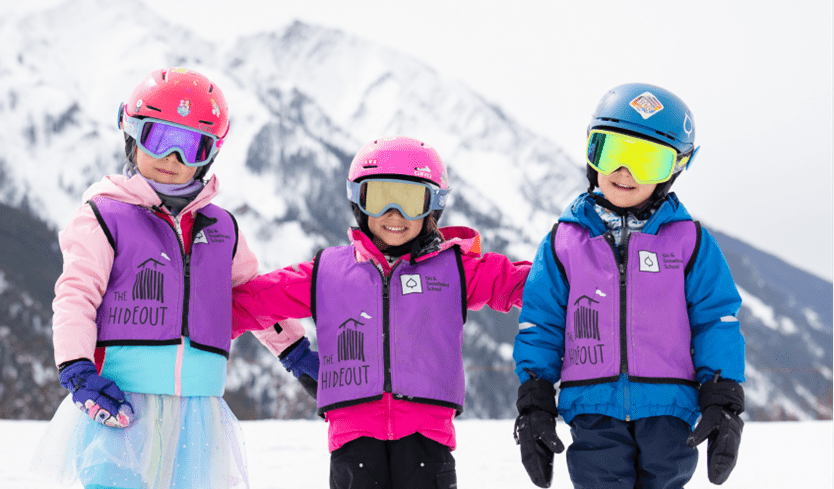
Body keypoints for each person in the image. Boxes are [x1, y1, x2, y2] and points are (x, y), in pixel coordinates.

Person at [29, 67, 309, 489]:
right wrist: (77, 368)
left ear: (210, 154)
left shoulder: (222, 229)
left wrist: (297, 353)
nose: (172, 159)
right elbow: (76, 297)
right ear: (131, 135)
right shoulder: (105, 216)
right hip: (120, 401)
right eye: (158, 138)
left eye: (191, 146)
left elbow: (255, 298)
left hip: (199, 413)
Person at [233, 136, 531, 489]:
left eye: (409, 200)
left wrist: (586, 282)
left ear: (432, 206)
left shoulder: (456, 270)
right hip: (353, 441)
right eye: (379, 198)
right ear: (359, 202)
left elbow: (525, 285)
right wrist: (188, 324)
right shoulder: (328, 272)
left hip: (427, 438)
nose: (395, 214)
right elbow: (251, 303)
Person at [512, 83, 746, 488]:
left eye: (647, 161)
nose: (625, 173)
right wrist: (535, 399)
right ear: (591, 154)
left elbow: (715, 318)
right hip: (592, 405)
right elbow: (541, 321)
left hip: (670, 409)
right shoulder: (564, 243)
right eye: (612, 153)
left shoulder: (689, 241)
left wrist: (722, 395)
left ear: (674, 169)